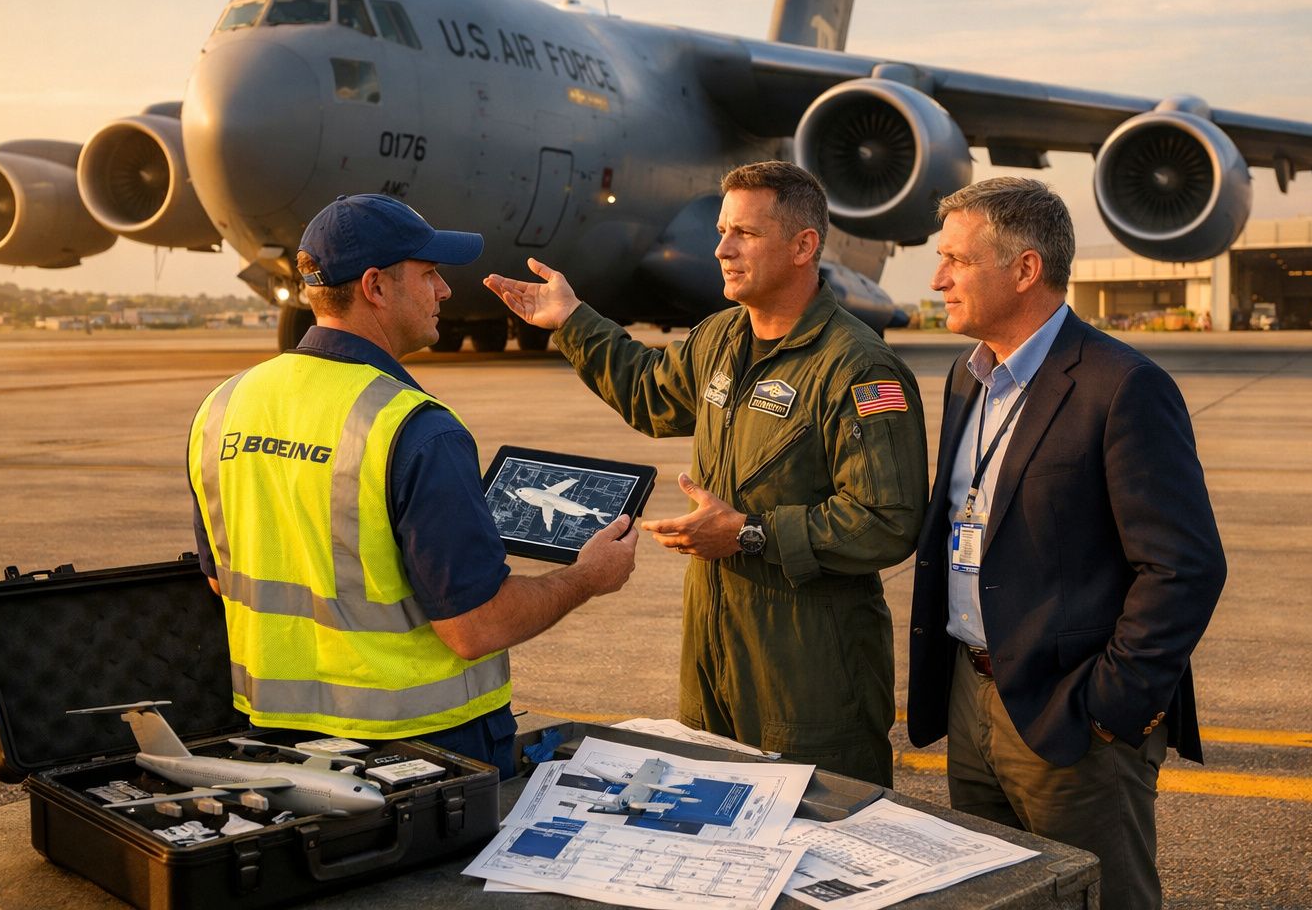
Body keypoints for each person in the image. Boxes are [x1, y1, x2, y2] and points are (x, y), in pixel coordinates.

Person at [484, 161, 927, 786]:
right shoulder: (720, 337)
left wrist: (750, 533)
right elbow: (650, 393)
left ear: (804, 246)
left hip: (811, 680)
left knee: (816, 839)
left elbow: (887, 522)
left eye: (744, 233)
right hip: (713, 663)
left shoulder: (857, 367)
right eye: (722, 230)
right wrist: (571, 320)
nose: (720, 248)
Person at [187, 193, 638, 777]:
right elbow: (478, 627)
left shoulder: (224, 405)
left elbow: (221, 579)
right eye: (429, 275)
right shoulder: (415, 429)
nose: (445, 291)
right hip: (424, 754)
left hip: (277, 747)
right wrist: (588, 576)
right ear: (375, 286)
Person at [906, 177, 1226, 909]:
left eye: (956, 259)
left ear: (1024, 269)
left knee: (1101, 899)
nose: (937, 278)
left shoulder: (1122, 386)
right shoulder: (969, 375)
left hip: (1070, 716)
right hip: (971, 695)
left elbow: (1184, 566)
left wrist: (1112, 705)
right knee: (993, 895)